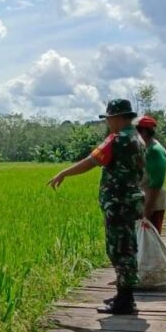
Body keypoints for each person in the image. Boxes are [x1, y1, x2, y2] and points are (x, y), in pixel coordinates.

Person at [48, 99, 146, 314]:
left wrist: (63, 173)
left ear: (117, 118)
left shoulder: (117, 139)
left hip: (117, 202)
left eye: (109, 118)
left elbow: (91, 161)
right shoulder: (137, 138)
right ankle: (124, 295)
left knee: (119, 249)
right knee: (127, 246)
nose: (108, 123)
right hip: (130, 200)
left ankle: (125, 301)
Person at [135, 115, 166, 233]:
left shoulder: (155, 151)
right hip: (144, 201)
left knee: (151, 239)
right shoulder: (146, 148)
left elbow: (156, 184)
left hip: (153, 203)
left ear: (143, 132)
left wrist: (147, 212)